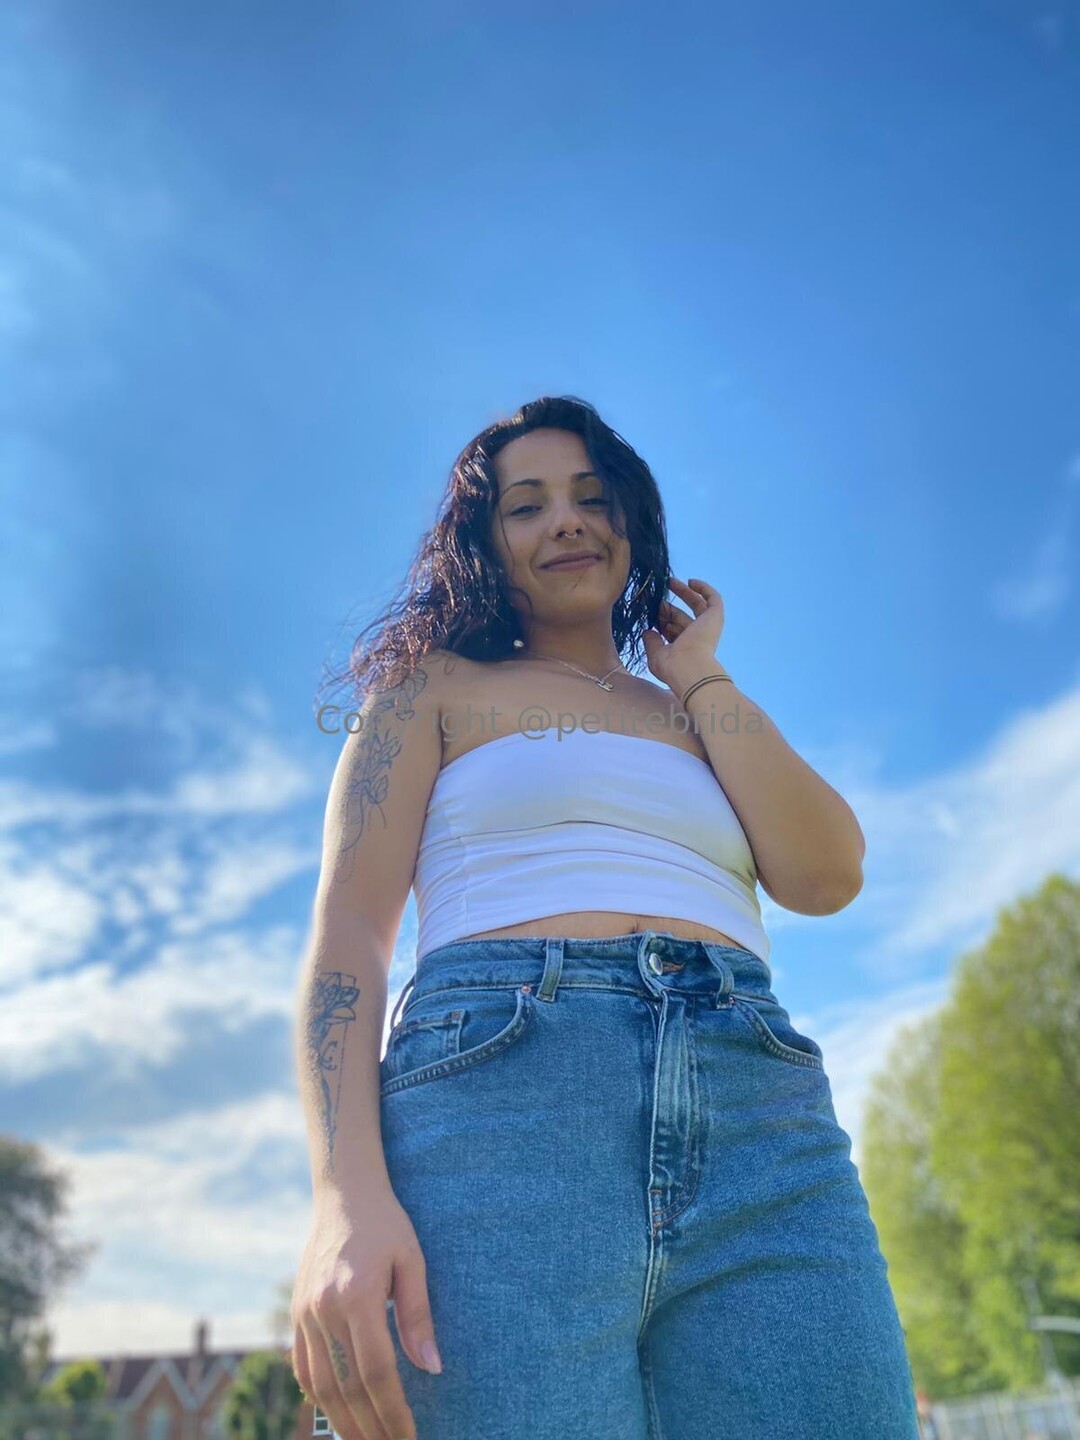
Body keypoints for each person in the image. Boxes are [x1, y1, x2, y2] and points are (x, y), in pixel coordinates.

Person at [290, 396, 921, 1440]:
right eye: (526, 506)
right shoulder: (430, 688)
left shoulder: (695, 711)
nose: (566, 522)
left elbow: (827, 875)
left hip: (756, 1106)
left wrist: (701, 673)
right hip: (501, 1103)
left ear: (631, 519)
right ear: (485, 545)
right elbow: (349, 935)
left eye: (592, 496)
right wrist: (342, 1197)